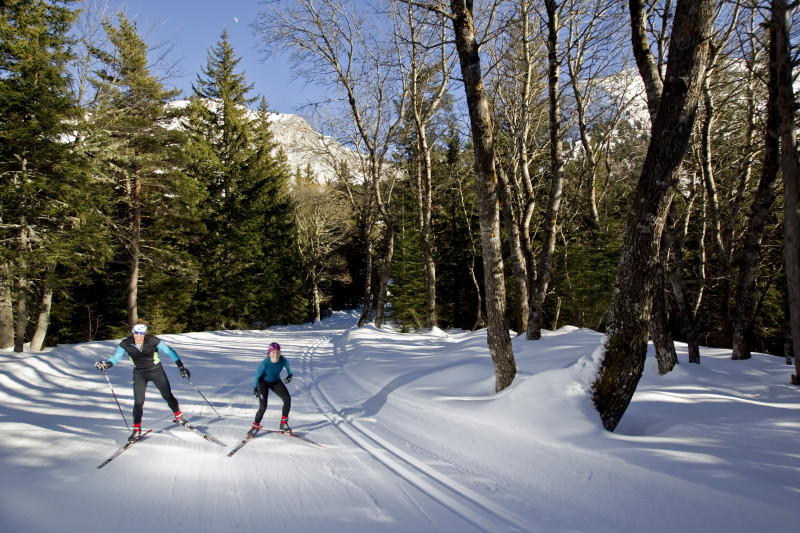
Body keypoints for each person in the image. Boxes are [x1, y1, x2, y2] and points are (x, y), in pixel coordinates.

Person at [95, 320, 191, 442]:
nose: (139, 336)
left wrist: (181, 367)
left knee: (167, 395)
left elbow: (169, 351)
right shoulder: (126, 343)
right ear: (133, 332)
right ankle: (136, 430)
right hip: (139, 373)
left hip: (156, 371)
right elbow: (114, 359)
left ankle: (179, 416)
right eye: (137, 332)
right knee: (138, 402)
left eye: (142, 333)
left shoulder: (152, 340)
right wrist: (106, 365)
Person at [249, 341, 293, 436]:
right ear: (269, 354)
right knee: (263, 406)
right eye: (273, 352)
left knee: (287, 399)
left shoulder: (283, 360)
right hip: (263, 383)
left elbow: (289, 368)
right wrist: (255, 388)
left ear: (280, 353)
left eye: (277, 352)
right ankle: (255, 426)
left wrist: (290, 375)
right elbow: (257, 376)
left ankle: (283, 424)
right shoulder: (264, 363)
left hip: (275, 381)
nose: (275, 354)